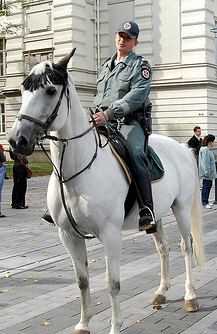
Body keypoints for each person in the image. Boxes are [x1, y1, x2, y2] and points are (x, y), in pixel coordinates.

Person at [91, 20, 155, 232]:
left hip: (129, 122)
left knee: (136, 154)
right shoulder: (105, 66)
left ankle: (147, 209)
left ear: (135, 42)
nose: (122, 40)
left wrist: (109, 113)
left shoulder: (141, 66)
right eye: (120, 35)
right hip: (101, 120)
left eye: (127, 37)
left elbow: (136, 97)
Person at [198, 134, 217, 209]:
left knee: (208, 186)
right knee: (206, 187)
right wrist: (207, 171)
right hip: (207, 172)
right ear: (210, 142)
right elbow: (206, 162)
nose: (214, 143)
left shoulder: (207, 149)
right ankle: (204, 202)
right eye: (213, 141)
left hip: (209, 172)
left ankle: (206, 200)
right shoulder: (205, 149)